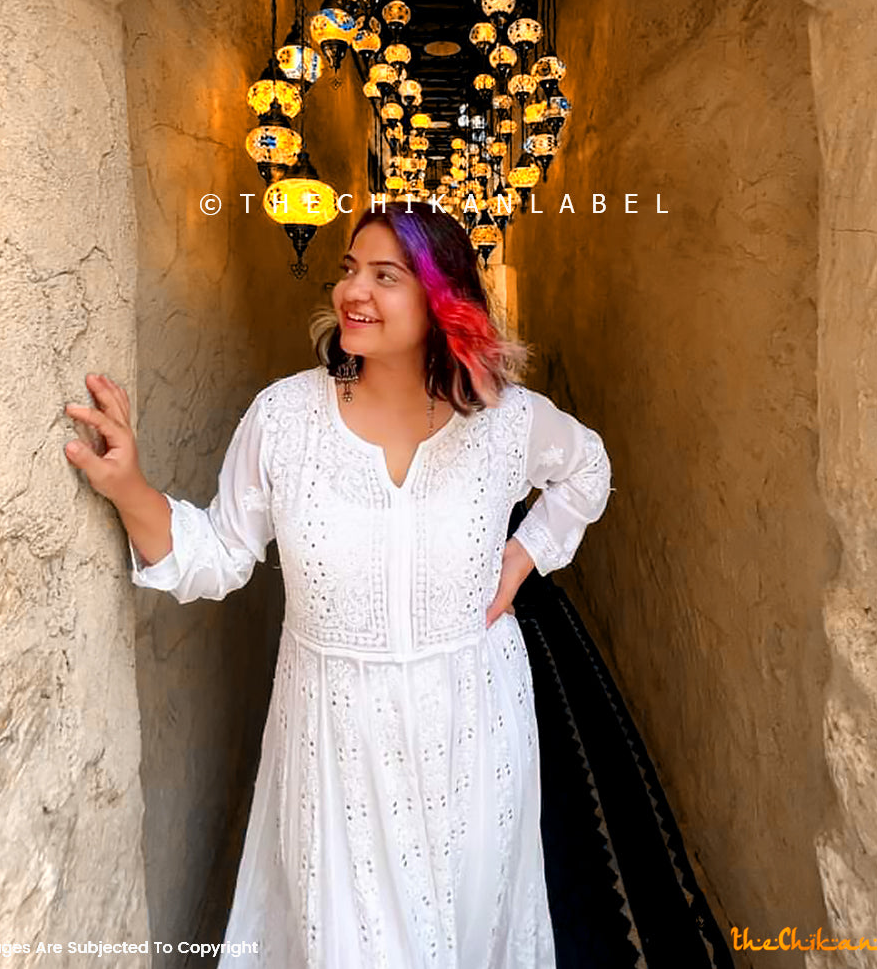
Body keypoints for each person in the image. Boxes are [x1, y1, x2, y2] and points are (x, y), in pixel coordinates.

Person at [63, 202, 613, 968]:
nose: (354, 290)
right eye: (349, 269)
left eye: (385, 276)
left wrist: (522, 558)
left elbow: (586, 469)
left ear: (440, 299)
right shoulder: (284, 419)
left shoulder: (504, 421)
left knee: (470, 924)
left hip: (474, 716)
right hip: (334, 735)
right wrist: (130, 487)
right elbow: (218, 553)